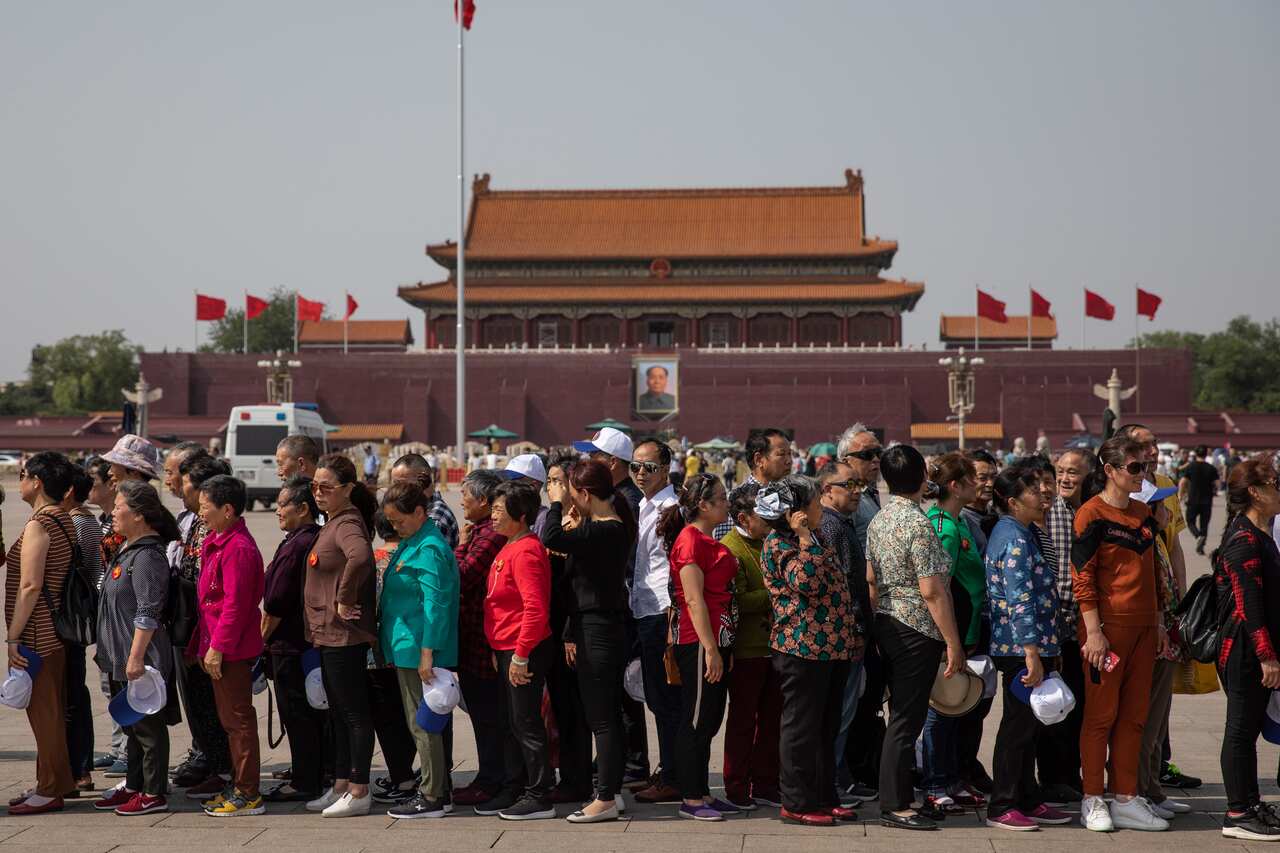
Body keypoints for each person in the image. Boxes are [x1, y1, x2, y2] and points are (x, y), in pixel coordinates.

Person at [1071, 435, 1168, 832]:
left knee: (1135, 718)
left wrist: (1160, 622)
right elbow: (1083, 578)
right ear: (1109, 471)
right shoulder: (1090, 515)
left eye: (1143, 467)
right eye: (1133, 468)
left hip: (1145, 627)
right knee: (1100, 717)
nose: (1141, 474)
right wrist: (1093, 632)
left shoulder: (1145, 514)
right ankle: (1093, 797)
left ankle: (1127, 796)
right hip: (1107, 630)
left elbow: (1155, 572)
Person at [866, 445, 964, 831]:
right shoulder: (918, 525)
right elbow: (933, 591)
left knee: (901, 717)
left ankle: (901, 796)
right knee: (907, 719)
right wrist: (953, 641)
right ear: (922, 479)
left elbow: (871, 580)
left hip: (888, 623)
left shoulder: (880, 520)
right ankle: (894, 804)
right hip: (916, 628)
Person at [758, 475, 858, 826]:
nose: (820, 507)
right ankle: (796, 802)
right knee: (801, 729)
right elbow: (807, 583)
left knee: (825, 727)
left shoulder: (811, 537)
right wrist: (803, 538)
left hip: (830, 647)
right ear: (795, 513)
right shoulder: (780, 543)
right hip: (801, 648)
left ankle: (823, 795)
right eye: (814, 502)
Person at [542, 459, 635, 823]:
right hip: (599, 628)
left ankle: (606, 797)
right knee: (608, 715)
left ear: (584, 493)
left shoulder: (606, 529)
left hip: (598, 630)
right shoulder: (606, 525)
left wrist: (553, 502)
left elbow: (551, 537)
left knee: (602, 719)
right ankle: (611, 789)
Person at [983, 467, 1070, 831]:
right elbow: (1019, 599)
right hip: (1020, 648)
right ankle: (1002, 804)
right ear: (1013, 501)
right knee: (1017, 728)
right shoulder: (1014, 539)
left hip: (1034, 644)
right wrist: (1033, 654)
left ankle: (1028, 798)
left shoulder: (1024, 531)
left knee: (1031, 728)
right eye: (1034, 490)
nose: (1044, 493)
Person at [92, 481, 182, 816]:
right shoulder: (128, 550)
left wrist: (135, 658)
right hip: (120, 659)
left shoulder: (146, 557)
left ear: (140, 515)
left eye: (119, 507)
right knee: (131, 725)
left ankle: (154, 793)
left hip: (141, 661)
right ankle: (134, 785)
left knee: (148, 730)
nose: (113, 512)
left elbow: (148, 611)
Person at [657, 473, 740, 822]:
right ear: (703, 505)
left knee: (708, 720)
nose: (726, 502)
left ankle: (702, 790)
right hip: (698, 640)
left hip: (718, 639)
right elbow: (693, 599)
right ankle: (690, 796)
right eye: (721, 498)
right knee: (695, 719)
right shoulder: (689, 541)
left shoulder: (706, 539)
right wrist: (710, 649)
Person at [571, 428, 649, 788]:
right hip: (619, 604)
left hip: (620, 607)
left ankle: (629, 761)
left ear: (612, 462)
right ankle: (622, 760)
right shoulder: (620, 497)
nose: (588, 462)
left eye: (594, 456)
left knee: (622, 693)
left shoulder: (623, 502)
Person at [380, 481, 460, 820]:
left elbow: (436, 604)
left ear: (419, 512)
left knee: (423, 724)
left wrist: (428, 651)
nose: (395, 527)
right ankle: (435, 790)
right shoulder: (415, 541)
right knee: (422, 723)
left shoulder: (429, 547)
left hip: (418, 649)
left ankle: (432, 795)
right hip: (406, 645)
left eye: (399, 521)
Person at [304, 454, 378, 818]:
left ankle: (360, 788)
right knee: (338, 713)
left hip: (345, 636)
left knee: (353, 714)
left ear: (347, 489)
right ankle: (340, 785)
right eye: (314, 486)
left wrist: (344, 597)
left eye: (326, 487)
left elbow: (361, 557)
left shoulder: (348, 523)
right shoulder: (332, 521)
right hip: (329, 635)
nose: (318, 493)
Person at [1213, 457, 1280, 841]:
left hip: (1255, 647)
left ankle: (1251, 804)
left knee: (1249, 728)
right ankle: (1238, 812)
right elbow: (1247, 605)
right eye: (1275, 482)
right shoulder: (1243, 539)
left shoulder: (1258, 531)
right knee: (1239, 731)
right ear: (1255, 492)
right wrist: (1266, 656)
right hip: (1244, 650)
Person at [5, 453, 76, 815]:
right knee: (50, 711)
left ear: (37, 482)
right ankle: (52, 782)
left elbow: (30, 585)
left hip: (38, 632)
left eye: (22, 476)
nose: (19, 482)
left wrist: (12, 636)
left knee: (44, 714)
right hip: (53, 630)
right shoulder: (62, 519)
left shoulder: (39, 524)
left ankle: (50, 790)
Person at [192, 475, 265, 817]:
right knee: (230, 721)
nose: (201, 512)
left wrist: (218, 646)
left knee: (239, 721)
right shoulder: (219, 540)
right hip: (218, 644)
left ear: (228, 509)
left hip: (231, 649)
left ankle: (248, 793)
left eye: (206, 507)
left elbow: (236, 604)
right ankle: (238, 785)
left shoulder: (238, 548)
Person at [484, 481, 556, 820]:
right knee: (512, 721)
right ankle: (516, 786)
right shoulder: (509, 544)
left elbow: (535, 608)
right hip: (505, 646)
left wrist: (520, 654)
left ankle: (539, 793)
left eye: (500, 510)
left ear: (521, 515)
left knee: (526, 722)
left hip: (521, 647)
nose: (493, 515)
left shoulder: (526, 550)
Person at [920, 453, 987, 814]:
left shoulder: (959, 522)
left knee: (957, 709)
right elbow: (938, 587)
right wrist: (950, 642)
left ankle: (953, 778)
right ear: (955, 486)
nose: (978, 485)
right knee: (941, 710)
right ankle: (935, 782)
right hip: (952, 634)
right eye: (972, 479)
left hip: (968, 630)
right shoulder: (943, 527)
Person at [172, 455, 235, 799]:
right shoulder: (196, 522)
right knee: (196, 701)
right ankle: (212, 762)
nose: (179, 487)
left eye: (185, 482)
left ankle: (223, 769)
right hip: (191, 625)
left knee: (212, 703)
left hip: (206, 628)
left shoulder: (221, 529)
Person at [260, 477, 326, 802]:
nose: (277, 510)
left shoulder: (300, 544)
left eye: (283, 504)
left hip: (290, 645)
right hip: (303, 644)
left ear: (302, 508)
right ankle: (310, 774)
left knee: (298, 715)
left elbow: (276, 601)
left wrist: (261, 640)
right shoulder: (303, 539)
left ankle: (305, 780)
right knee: (306, 715)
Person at [719, 482, 781, 811]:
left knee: (772, 720)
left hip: (773, 647)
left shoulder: (767, 542)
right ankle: (737, 786)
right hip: (746, 650)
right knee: (743, 722)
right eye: (763, 516)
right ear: (743, 518)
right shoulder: (730, 549)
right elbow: (737, 600)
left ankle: (767, 783)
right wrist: (775, 592)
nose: (770, 521)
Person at [450, 470, 510, 809]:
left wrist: (460, 547)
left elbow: (463, 577)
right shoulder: (483, 531)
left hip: (482, 641)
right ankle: (489, 776)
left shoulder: (488, 535)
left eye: (466, 496)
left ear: (484, 501)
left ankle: (492, 779)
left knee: (489, 716)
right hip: (476, 638)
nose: (461, 501)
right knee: (485, 715)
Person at [627, 438, 682, 804]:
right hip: (644, 608)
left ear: (666, 469)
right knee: (658, 699)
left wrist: (674, 613)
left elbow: (679, 564)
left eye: (649, 467)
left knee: (667, 699)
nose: (641, 473)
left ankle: (674, 775)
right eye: (636, 467)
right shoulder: (646, 506)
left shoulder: (672, 508)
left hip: (663, 612)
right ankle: (671, 770)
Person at [1037, 448, 1091, 805]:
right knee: (1056, 704)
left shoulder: (1085, 510)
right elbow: (1058, 577)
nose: (1065, 479)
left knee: (1077, 705)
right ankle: (1054, 778)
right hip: (1060, 625)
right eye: (1061, 472)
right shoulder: (1054, 512)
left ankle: (1070, 774)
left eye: (1073, 473)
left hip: (1079, 628)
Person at [836, 422, 885, 800]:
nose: (875, 461)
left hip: (870, 611)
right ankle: (840, 772)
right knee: (848, 701)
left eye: (877, 454)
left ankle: (858, 767)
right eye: (867, 455)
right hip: (855, 612)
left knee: (865, 699)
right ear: (845, 460)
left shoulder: (868, 495)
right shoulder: (846, 501)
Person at [816, 460, 868, 803]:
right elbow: (841, 586)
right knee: (838, 714)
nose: (855, 492)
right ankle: (830, 782)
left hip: (841, 635)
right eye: (848, 485)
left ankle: (834, 778)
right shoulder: (832, 528)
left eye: (857, 485)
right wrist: (857, 628)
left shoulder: (837, 523)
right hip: (843, 636)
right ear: (826, 490)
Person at [366, 512, 422, 807]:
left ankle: (401, 777)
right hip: (405, 647)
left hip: (377, 651)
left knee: (386, 717)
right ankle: (407, 773)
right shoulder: (411, 554)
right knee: (406, 712)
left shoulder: (374, 560)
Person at [60, 464, 103, 796]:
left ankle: (78, 768)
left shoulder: (76, 523)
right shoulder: (88, 520)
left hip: (68, 619)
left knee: (71, 693)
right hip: (77, 617)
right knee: (75, 692)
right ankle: (79, 765)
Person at [712, 428, 792, 540]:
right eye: (781, 454)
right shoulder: (738, 502)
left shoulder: (792, 495)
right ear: (759, 460)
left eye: (790, 454)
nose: (789, 461)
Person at [391, 454, 459, 549]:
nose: (396, 490)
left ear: (423, 477)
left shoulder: (435, 517)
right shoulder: (415, 511)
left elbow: (425, 559)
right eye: (394, 485)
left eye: (401, 484)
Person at [1180, 445, 1220, 555]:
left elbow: (1183, 482)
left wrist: (1180, 494)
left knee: (1190, 521)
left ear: (1196, 453)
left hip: (1193, 499)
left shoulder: (1191, 466)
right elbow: (1217, 483)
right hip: (1207, 500)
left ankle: (1198, 536)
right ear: (1206, 454)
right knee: (1204, 524)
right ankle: (1201, 547)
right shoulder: (1211, 468)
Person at [961, 450, 999, 557]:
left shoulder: (996, 514)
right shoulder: (961, 519)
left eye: (993, 477)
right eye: (982, 478)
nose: (990, 484)